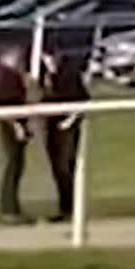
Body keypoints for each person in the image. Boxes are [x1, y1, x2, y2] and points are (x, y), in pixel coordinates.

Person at [39, 50, 90, 222]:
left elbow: (84, 101)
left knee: (66, 167)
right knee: (57, 169)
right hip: (51, 127)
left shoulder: (70, 73)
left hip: (67, 127)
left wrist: (70, 121)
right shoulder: (44, 74)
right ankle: (65, 207)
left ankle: (72, 208)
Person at [0, 46, 33, 225]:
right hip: (11, 126)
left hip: (18, 125)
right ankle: (9, 209)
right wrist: (16, 126)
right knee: (13, 166)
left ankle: (12, 208)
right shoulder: (6, 77)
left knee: (17, 166)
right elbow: (0, 106)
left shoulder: (13, 75)